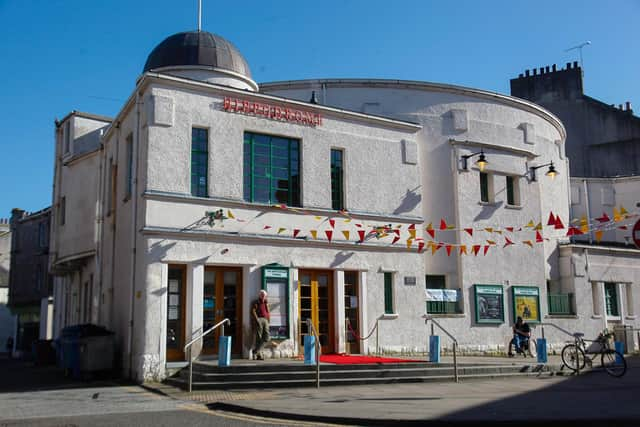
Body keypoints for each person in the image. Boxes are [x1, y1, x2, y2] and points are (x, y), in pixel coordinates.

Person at [251, 289, 270, 360]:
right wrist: (257, 320)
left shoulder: (266, 302)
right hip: (260, 319)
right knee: (259, 338)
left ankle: (255, 351)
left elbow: (268, 312)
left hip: (266, 320)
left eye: (264, 295)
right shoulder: (256, 302)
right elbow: (253, 311)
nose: (263, 296)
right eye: (262, 295)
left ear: (266, 296)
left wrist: (268, 320)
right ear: (259, 295)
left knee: (267, 338)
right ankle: (259, 355)